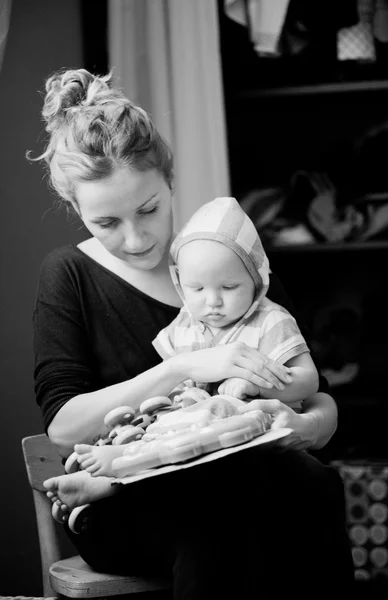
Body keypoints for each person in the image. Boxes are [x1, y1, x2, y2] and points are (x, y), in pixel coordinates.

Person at [30, 68, 354, 599]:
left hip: (251, 479)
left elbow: (317, 398)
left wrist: (305, 427)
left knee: (312, 487)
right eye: (106, 223)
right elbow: (65, 426)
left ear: (170, 180)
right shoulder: (67, 275)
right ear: (75, 208)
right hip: (126, 499)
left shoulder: (226, 259)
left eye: (149, 209)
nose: (135, 239)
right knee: (222, 516)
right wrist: (182, 368)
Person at [72, 194, 319, 478]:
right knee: (162, 422)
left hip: (251, 435)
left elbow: (309, 381)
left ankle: (118, 471)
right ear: (180, 283)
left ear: (256, 279)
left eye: (228, 286)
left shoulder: (271, 321)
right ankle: (120, 457)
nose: (212, 301)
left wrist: (258, 386)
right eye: (197, 289)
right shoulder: (184, 325)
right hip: (191, 432)